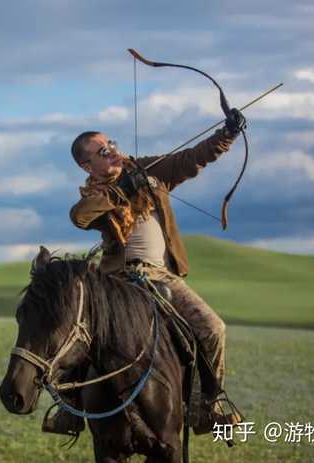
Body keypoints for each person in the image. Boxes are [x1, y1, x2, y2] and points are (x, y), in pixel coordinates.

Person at [50, 110, 246, 437]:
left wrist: (227, 134)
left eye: (111, 143)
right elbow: (80, 217)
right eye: (102, 151)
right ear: (87, 167)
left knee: (213, 328)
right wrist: (122, 188)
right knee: (72, 334)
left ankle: (206, 410)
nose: (112, 150)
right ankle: (69, 410)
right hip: (117, 281)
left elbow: (191, 159)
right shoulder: (94, 196)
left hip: (162, 276)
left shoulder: (148, 170)